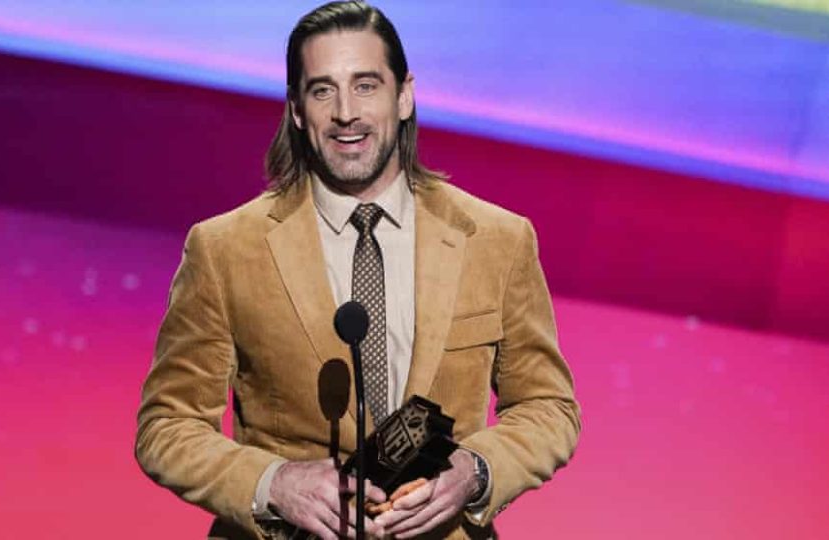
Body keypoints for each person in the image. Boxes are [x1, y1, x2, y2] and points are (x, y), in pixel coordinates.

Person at [135, 2, 580, 539]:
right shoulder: (225, 249)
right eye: (323, 90)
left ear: (405, 95)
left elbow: (547, 407)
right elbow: (167, 427)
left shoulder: (497, 241)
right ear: (297, 109)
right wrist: (274, 484)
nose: (346, 112)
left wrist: (475, 472)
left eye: (366, 85)